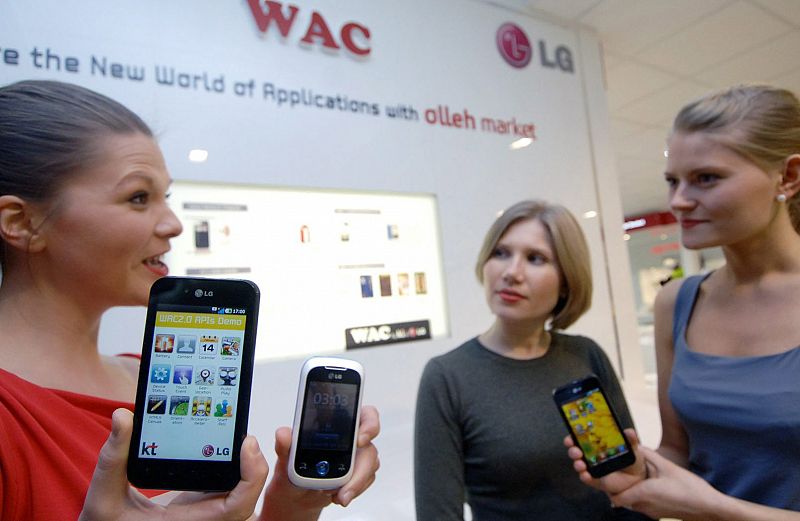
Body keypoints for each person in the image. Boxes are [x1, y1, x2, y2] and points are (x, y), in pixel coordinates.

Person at [0, 79, 380, 521]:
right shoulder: (11, 416)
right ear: (21, 222)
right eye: (138, 197)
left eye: (167, 197)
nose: (175, 224)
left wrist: (290, 506)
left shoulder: (148, 375)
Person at [566, 84, 800, 520]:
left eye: (706, 178)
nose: (679, 201)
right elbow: (679, 451)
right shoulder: (677, 303)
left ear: (787, 177)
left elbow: (706, 503)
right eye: (673, 181)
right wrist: (640, 472)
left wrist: (717, 509)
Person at [414, 200, 648, 520]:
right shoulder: (447, 376)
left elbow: (632, 486)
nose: (512, 273)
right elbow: (437, 514)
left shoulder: (585, 355)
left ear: (567, 280)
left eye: (535, 258)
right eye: (501, 253)